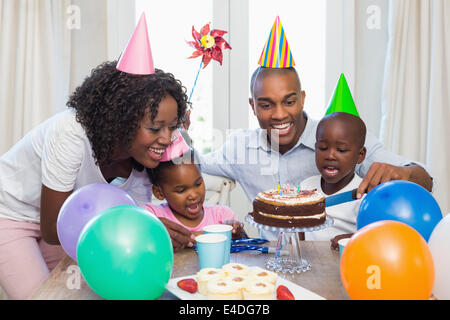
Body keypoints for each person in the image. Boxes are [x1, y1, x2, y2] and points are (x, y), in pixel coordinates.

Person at [0, 61, 189, 299]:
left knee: (80, 293)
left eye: (172, 127)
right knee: (43, 296)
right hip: (11, 214)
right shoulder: (70, 132)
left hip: (69, 223)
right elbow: (52, 230)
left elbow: (126, 219)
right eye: (154, 128)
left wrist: (148, 226)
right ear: (123, 121)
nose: (166, 138)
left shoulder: (144, 160)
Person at [198, 66, 434, 240]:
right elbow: (191, 164)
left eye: (289, 102)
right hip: (268, 266)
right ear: (253, 106)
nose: (279, 114)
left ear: (302, 99)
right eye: (266, 105)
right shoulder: (240, 147)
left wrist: (403, 174)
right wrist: (177, 131)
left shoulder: (341, 137)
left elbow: (425, 180)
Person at [144, 151, 246, 243]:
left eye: (198, 184)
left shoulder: (223, 215)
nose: (193, 195)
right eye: (181, 190)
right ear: (159, 193)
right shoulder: (153, 215)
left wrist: (238, 235)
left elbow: (246, 251)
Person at [301, 112, 367, 246]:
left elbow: (372, 237)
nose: (330, 156)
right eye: (323, 148)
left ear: (360, 155)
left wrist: (352, 239)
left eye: (341, 150)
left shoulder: (363, 194)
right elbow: (300, 230)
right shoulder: (306, 186)